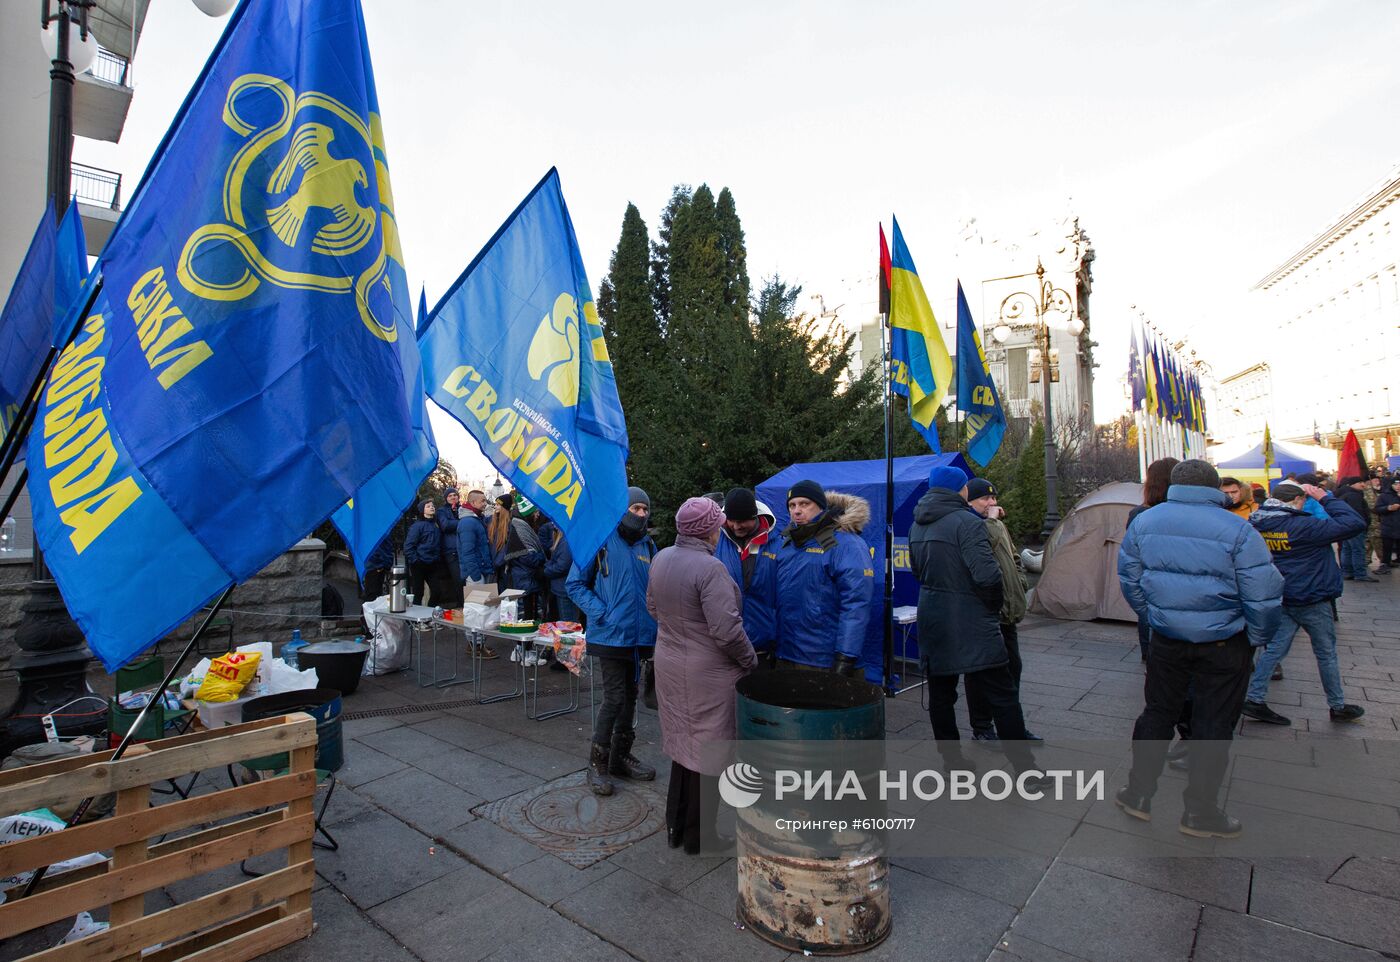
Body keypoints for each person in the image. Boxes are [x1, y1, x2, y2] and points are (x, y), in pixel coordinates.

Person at [1116, 459, 1282, 839]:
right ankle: (1200, 812)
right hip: (1224, 642)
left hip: (1168, 640)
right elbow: (1264, 595)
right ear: (1214, 488)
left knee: (1156, 715)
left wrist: (1156, 615)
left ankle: (1138, 794)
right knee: (1213, 725)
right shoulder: (1239, 530)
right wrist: (1256, 637)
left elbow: (1130, 578)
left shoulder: (1145, 522)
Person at [909, 465, 1041, 780]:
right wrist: (991, 609)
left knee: (942, 695)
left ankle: (952, 763)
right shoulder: (968, 523)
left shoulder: (917, 524)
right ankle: (1026, 770)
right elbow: (988, 576)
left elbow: (917, 573)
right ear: (962, 490)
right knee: (1003, 694)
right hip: (971, 619)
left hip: (933, 616)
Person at [648, 496, 757, 854]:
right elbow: (727, 631)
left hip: (670, 661)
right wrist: (749, 661)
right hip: (707, 673)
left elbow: (653, 607)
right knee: (710, 754)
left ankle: (676, 827)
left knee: (684, 747)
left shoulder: (662, 557)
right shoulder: (710, 569)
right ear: (710, 530)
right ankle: (701, 836)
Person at [1241, 481, 1368, 725]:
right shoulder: (1304, 525)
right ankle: (1337, 704)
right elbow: (1355, 523)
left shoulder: (1257, 522)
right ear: (1298, 500)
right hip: (1312, 595)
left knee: (1275, 649)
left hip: (1282, 594)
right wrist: (1325, 498)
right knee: (1326, 652)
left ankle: (1255, 698)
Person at [568, 487, 658, 796]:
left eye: (645, 510)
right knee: (615, 698)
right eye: (636, 509)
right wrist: (601, 612)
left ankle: (620, 757)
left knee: (631, 698)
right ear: (623, 510)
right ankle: (597, 763)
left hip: (639, 638)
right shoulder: (600, 541)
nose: (641, 515)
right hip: (610, 635)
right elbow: (575, 584)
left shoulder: (649, 545)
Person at [962, 478, 1040, 746]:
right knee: (981, 673)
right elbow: (986, 547)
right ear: (969, 501)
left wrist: (1020, 580)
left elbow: (1013, 557)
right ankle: (982, 727)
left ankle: (1012, 726)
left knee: (1012, 668)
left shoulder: (997, 525)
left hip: (1007, 611)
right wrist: (994, 522)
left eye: (993, 498)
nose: (992, 503)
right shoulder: (974, 524)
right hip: (985, 613)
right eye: (985, 499)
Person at [774, 480, 874, 674]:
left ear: (820, 506)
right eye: (792, 505)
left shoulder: (847, 544)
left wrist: (846, 656)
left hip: (825, 660)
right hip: (787, 655)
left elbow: (856, 603)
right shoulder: (786, 544)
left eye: (804, 504)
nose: (797, 510)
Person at [714, 488, 779, 664]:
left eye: (742, 521)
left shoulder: (777, 542)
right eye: (731, 521)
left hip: (766, 644)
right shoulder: (715, 539)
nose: (736, 527)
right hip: (727, 645)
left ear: (755, 517)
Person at [1127, 457, 1179, 662]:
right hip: (1180, 585)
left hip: (1149, 582)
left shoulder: (1139, 514)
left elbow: (1131, 557)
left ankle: (1148, 654)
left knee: (1148, 619)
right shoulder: (1187, 513)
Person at [489, 500, 546, 621]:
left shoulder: (518, 524)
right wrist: (542, 556)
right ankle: (524, 640)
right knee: (526, 617)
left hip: (522, 576)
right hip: (524, 578)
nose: (538, 515)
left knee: (527, 615)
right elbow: (527, 557)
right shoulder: (519, 527)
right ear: (529, 513)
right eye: (535, 512)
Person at [403, 499, 444, 606]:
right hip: (419, 564)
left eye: (432, 505)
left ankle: (428, 616)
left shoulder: (436, 525)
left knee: (437, 592)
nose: (432, 507)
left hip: (433, 564)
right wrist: (416, 561)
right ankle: (415, 621)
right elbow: (408, 546)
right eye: (428, 506)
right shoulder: (417, 526)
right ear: (422, 510)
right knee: (418, 593)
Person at [1335, 477, 1377, 582]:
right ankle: (1360, 574)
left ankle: (1347, 572)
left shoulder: (1343, 494)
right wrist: (1364, 523)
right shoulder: (1354, 496)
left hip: (1345, 526)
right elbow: (1358, 512)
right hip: (1355, 526)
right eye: (1360, 482)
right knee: (1357, 549)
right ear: (1352, 484)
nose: (1363, 484)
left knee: (1347, 549)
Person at [539, 516, 580, 622]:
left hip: (564, 588)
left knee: (568, 624)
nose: (552, 524)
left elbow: (562, 565)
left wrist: (545, 570)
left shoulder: (566, 541)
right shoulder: (563, 539)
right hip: (562, 587)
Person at [457, 489, 494, 589]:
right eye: (482, 501)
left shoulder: (477, 519)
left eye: (485, 500)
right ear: (473, 502)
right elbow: (467, 552)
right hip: (476, 575)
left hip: (481, 571)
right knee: (477, 604)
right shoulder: (468, 522)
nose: (485, 504)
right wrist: (476, 576)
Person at [435, 487, 466, 608]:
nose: (453, 497)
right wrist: (462, 522)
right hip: (451, 550)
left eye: (455, 495)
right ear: (446, 498)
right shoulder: (441, 511)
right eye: (450, 496)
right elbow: (445, 525)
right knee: (458, 579)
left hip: (463, 548)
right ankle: (460, 604)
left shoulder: (462, 509)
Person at [360, 534, 395, 601]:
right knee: (372, 596)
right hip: (376, 566)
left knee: (372, 595)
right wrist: (383, 563)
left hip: (375, 565)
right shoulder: (378, 531)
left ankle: (366, 610)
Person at [1377, 475, 1400, 568]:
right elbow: (1377, 509)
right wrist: (1388, 508)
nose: (1398, 486)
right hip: (1389, 526)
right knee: (1387, 547)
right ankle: (1386, 563)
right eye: (1396, 484)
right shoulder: (1384, 496)